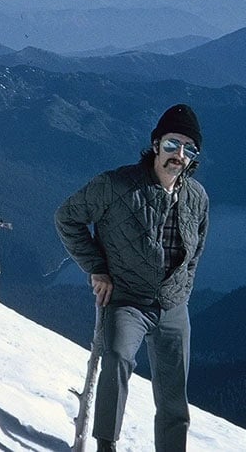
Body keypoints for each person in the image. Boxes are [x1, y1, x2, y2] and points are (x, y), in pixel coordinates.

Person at [55, 104, 209, 452]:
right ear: (156, 144)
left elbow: (197, 248)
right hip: (127, 299)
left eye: (188, 148)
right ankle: (106, 446)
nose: (179, 155)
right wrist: (97, 267)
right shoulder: (117, 185)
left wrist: (183, 289)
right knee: (118, 360)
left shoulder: (197, 197)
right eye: (172, 144)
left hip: (173, 306)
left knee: (174, 397)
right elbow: (67, 218)